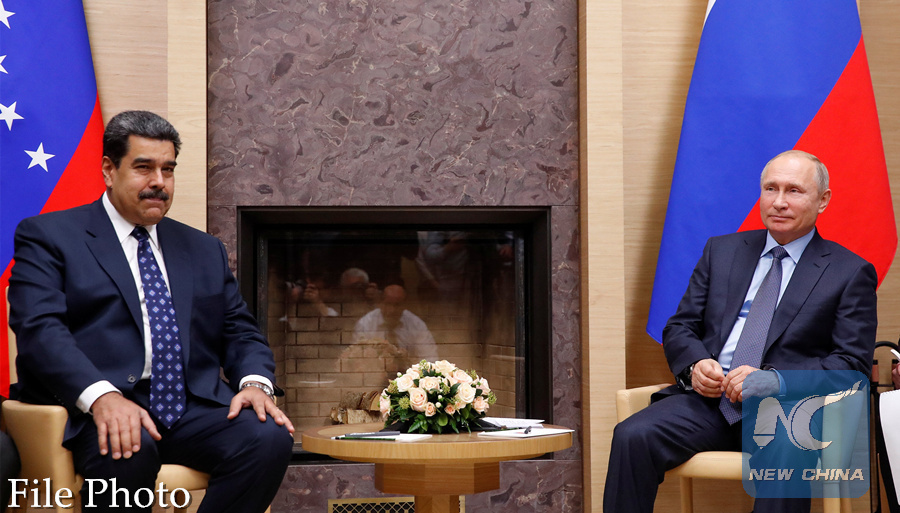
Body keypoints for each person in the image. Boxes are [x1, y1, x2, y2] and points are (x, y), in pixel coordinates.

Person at [7, 111, 294, 513]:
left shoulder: (202, 248)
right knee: (128, 446)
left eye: (168, 169)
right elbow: (40, 331)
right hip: (97, 404)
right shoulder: (49, 236)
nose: (159, 181)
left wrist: (254, 384)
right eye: (144, 168)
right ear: (109, 170)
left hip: (189, 406)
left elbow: (239, 331)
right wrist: (102, 396)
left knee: (268, 436)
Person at [604, 150, 878, 513]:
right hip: (710, 403)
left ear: (823, 200)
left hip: (787, 411)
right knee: (632, 435)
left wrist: (774, 380)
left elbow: (851, 367)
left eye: (794, 190)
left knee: (788, 450)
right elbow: (681, 326)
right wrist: (695, 364)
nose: (779, 201)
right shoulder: (722, 251)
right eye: (770, 188)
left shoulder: (849, 272)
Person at [353, 284, 438, 360]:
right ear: (380, 303)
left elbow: (430, 358)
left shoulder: (417, 324)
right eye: (388, 304)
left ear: (405, 305)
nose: (392, 310)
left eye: (397, 305)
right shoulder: (365, 324)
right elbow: (357, 359)